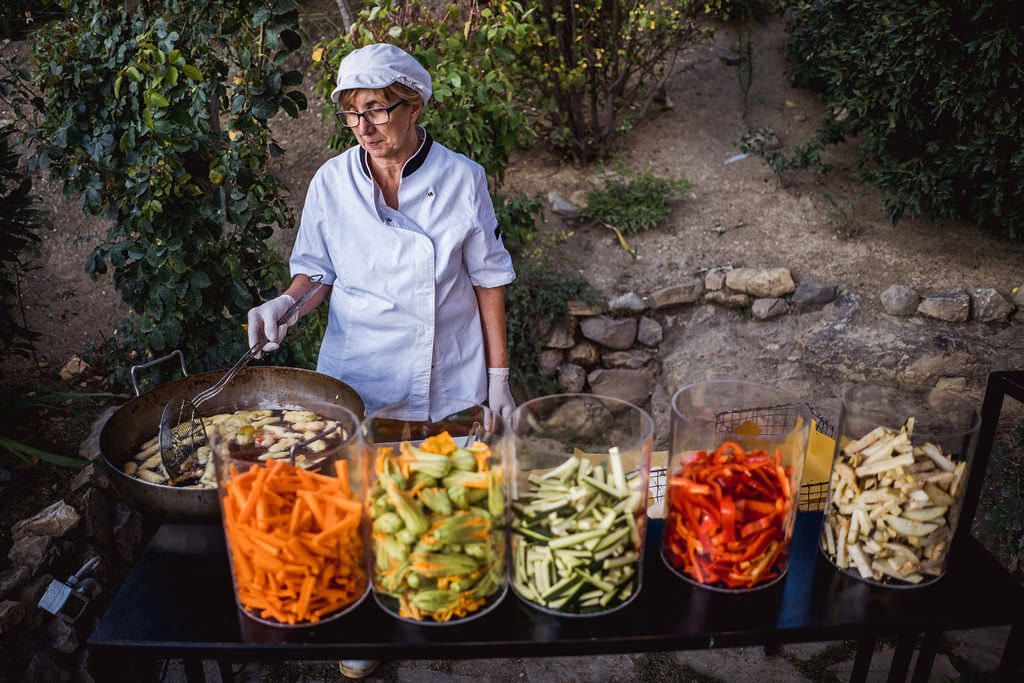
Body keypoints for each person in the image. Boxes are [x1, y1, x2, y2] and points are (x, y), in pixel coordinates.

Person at [245, 43, 516, 679]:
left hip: (443, 367)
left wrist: (498, 380)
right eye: (350, 114)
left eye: (376, 110)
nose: (363, 127)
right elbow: (316, 273)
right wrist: (283, 307)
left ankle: (431, 605)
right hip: (357, 371)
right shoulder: (331, 182)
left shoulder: (461, 178)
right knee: (357, 504)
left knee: (432, 499)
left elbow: (488, 279)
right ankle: (364, 626)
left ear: (414, 104)